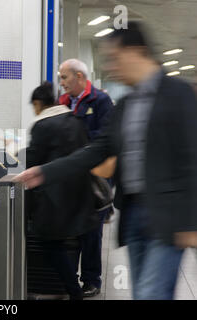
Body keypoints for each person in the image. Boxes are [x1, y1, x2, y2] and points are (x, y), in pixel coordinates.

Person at [14, 22, 197, 300]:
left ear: (136, 51)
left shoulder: (178, 94)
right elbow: (96, 150)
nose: (111, 67)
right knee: (146, 293)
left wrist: (190, 221)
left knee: (152, 294)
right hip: (134, 213)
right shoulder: (125, 105)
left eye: (114, 58)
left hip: (167, 215)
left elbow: (191, 156)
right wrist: (44, 172)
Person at [25, 81, 99, 300]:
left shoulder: (42, 125)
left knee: (52, 244)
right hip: (79, 192)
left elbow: (33, 161)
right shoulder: (74, 121)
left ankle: (73, 290)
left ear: (38, 104)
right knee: (78, 240)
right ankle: (82, 283)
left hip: (54, 198)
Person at [58, 58, 114, 297]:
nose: (61, 83)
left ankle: (92, 279)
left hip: (93, 179)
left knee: (91, 232)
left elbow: (107, 140)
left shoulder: (99, 101)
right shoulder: (62, 103)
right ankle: (68, 279)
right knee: (69, 230)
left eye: (64, 77)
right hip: (69, 178)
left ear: (79, 77)